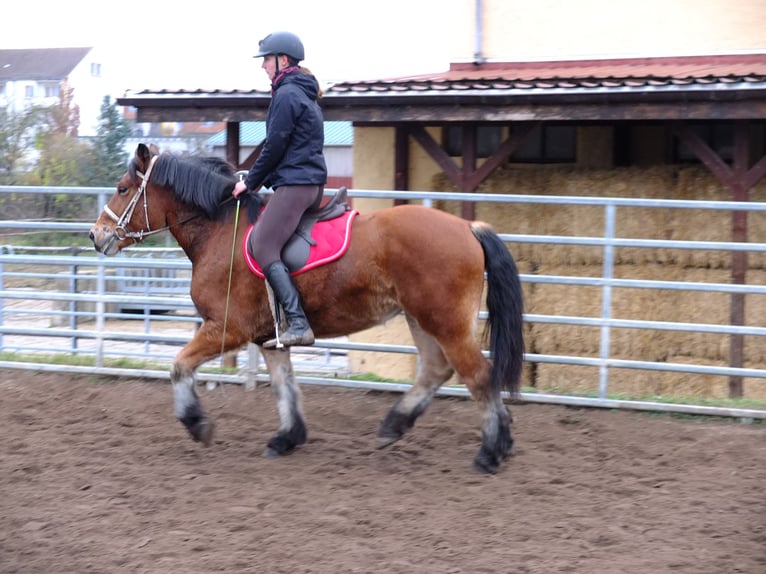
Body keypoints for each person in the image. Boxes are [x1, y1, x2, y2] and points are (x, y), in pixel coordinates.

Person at [233, 31, 327, 348]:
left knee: (262, 244)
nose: (263, 67)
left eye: (266, 60)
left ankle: (298, 322)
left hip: (297, 185)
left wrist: (249, 182)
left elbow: (274, 147)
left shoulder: (286, 95)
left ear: (282, 60)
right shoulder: (304, 93)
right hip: (309, 183)